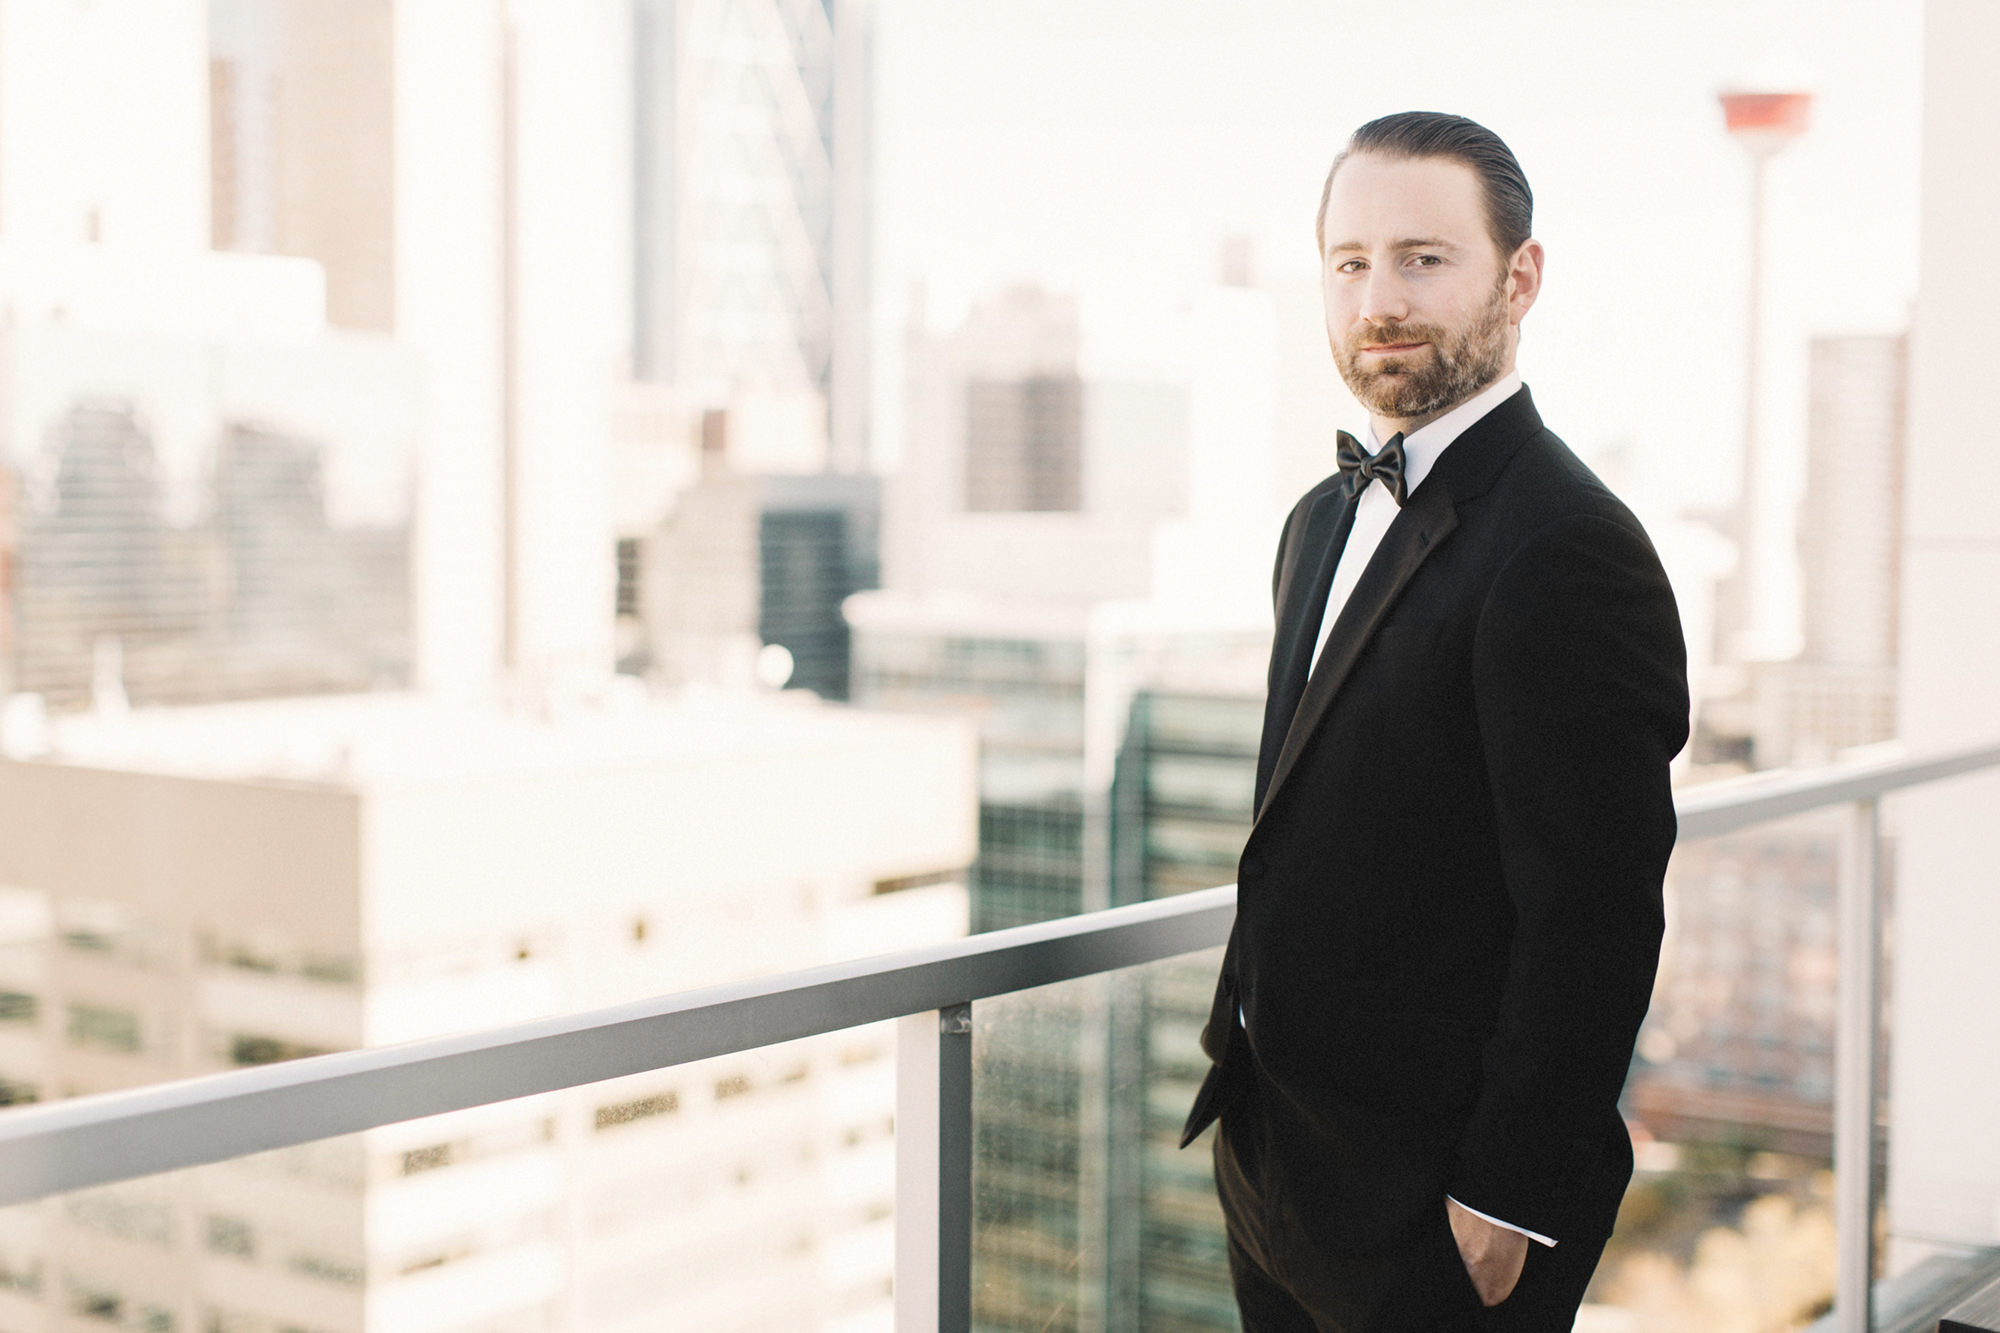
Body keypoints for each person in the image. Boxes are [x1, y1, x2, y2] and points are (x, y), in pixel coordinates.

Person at [1180, 111, 1690, 1331]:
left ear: (1518, 277)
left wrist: (1503, 1198)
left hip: (1438, 1203)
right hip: (1273, 1156)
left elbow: (1596, 911)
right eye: (1349, 262)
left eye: (1423, 258)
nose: (1379, 300)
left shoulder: (1571, 547)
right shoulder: (1315, 519)